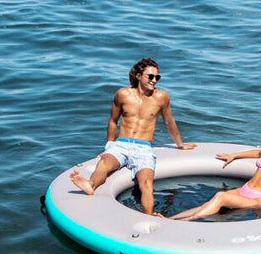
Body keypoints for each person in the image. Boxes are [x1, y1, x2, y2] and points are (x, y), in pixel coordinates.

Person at [69, 58, 197, 215]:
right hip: (120, 145)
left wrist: (180, 144)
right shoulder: (122, 94)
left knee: (147, 184)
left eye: (157, 77)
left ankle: (149, 215)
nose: (154, 81)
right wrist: (109, 146)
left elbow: (169, 123)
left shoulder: (161, 97)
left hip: (143, 148)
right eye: (150, 76)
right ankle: (90, 185)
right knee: (103, 164)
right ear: (138, 75)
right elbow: (113, 121)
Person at [171, 118, 261, 221]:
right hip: (245, 190)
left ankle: (186, 222)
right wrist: (234, 155)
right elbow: (257, 153)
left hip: (260, 198)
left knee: (220, 196)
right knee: (209, 203)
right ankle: (171, 219)